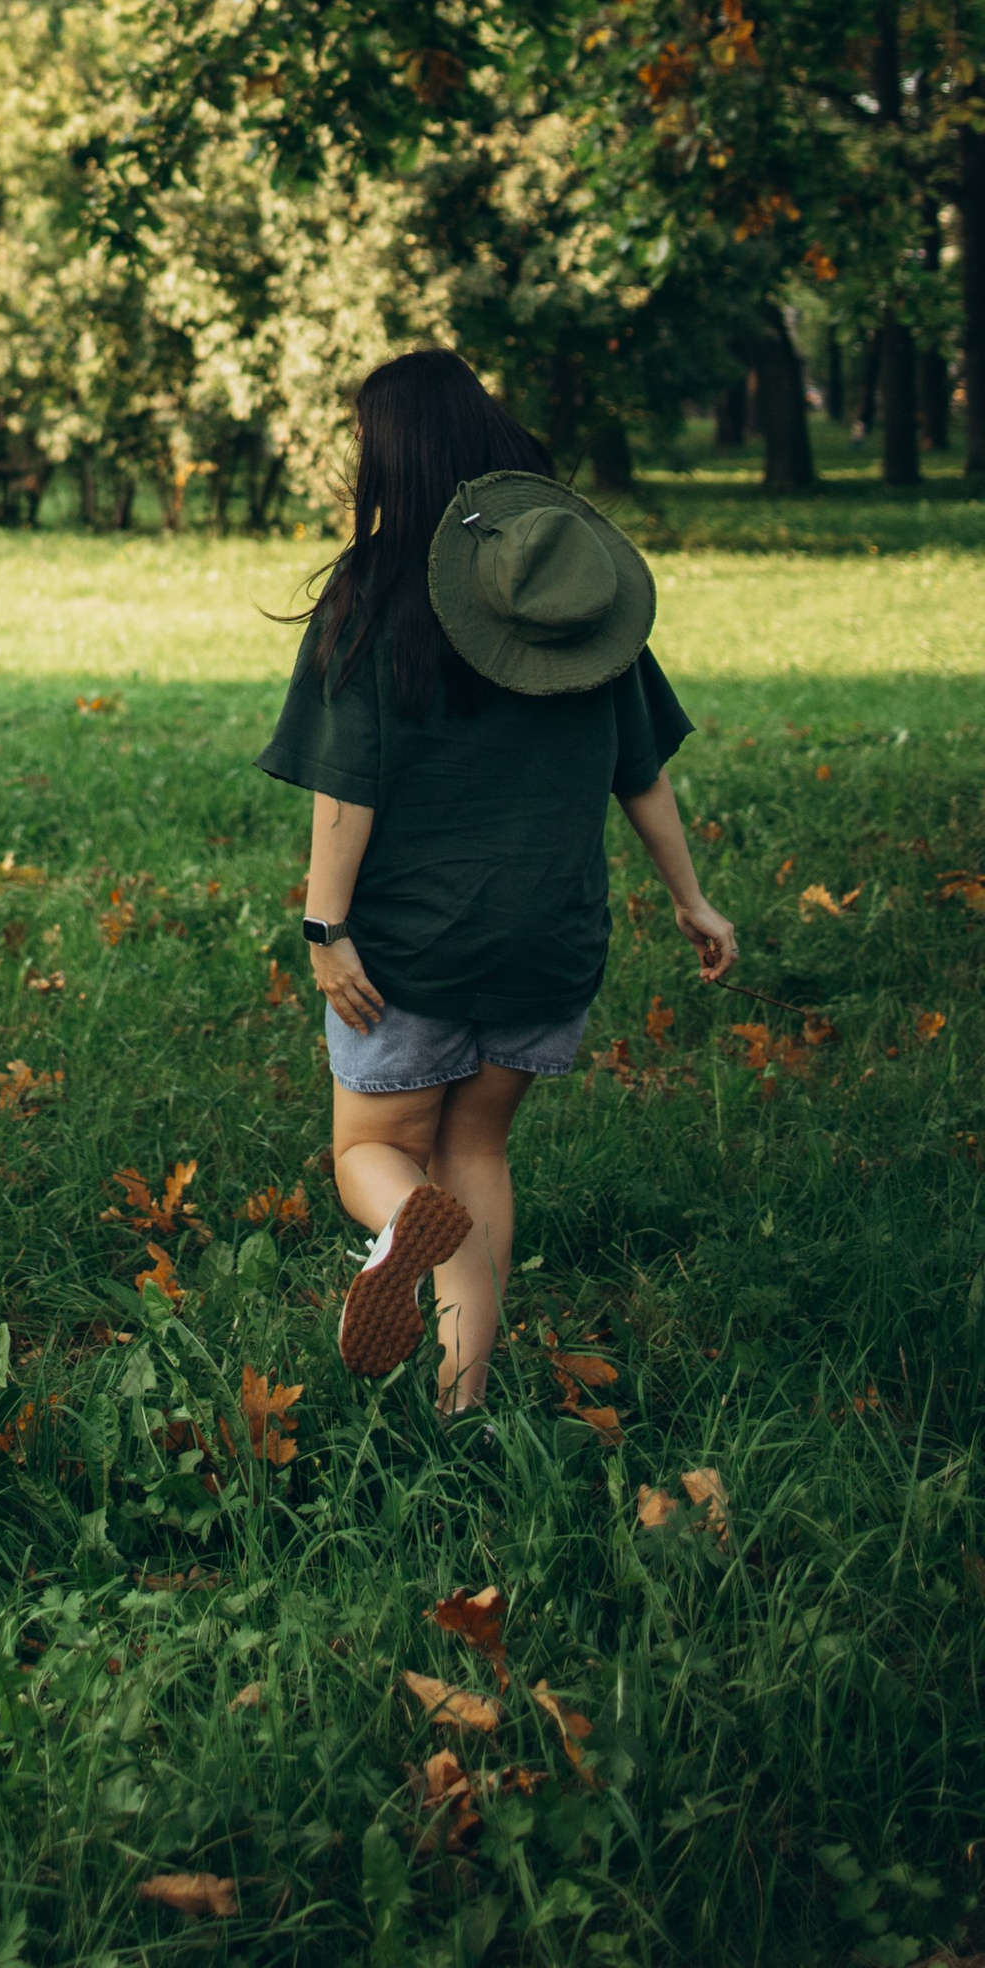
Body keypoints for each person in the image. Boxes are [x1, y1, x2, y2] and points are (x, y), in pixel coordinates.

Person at [256, 348, 736, 1413]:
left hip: (411, 943)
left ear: (393, 457)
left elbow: (347, 786)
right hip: (547, 939)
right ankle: (459, 1400)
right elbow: (639, 769)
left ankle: (400, 1231)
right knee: (476, 1148)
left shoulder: (375, 587)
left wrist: (324, 926)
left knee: (375, 1149)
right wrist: (690, 900)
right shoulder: (571, 580)